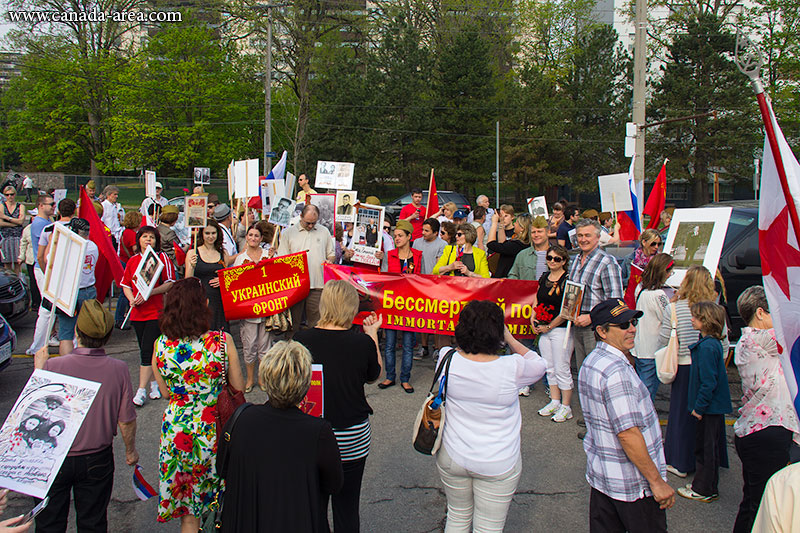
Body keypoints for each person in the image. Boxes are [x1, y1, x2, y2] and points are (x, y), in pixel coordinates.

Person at [436, 300, 546, 532]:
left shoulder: (446, 358)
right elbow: (539, 364)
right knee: (488, 527)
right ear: (497, 332)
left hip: (453, 455)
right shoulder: (512, 366)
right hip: (498, 460)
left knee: (457, 517)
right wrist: (511, 339)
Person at [32, 299, 138, 532]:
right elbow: (126, 420)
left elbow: (35, 409)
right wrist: (130, 450)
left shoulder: (53, 366)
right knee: (93, 523)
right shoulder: (118, 369)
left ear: (78, 332)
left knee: (49, 523)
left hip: (54, 457)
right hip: (96, 458)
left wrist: (39, 371)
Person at [220, 340, 343, 532]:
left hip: (248, 519)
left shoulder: (241, 419)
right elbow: (334, 483)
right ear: (305, 383)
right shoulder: (318, 431)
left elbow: (223, 468)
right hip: (299, 519)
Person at [152, 278, 244, 531]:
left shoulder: (160, 345)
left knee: (189, 514)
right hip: (214, 431)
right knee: (222, 502)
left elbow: (164, 391)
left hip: (177, 432)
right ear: (204, 305)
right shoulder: (222, 342)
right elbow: (238, 387)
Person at [294, 281, 383, 533]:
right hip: (352, 436)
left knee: (315, 508)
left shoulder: (302, 339)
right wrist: (373, 334)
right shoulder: (360, 343)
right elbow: (373, 374)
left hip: (312, 435)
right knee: (347, 508)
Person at [579, 298, 674, 532]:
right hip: (632, 485)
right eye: (623, 325)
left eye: (632, 322)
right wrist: (656, 482)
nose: (632, 328)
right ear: (601, 331)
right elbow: (628, 434)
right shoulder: (615, 372)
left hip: (604, 478)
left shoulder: (593, 361)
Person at [731, 286, 799, 531]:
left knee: (752, 502)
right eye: (776, 312)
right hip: (768, 433)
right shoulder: (758, 338)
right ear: (760, 312)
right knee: (763, 507)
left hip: (756, 432)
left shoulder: (749, 340)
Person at [661, 265, 729, 478]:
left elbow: (664, 337)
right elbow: (724, 341)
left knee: (681, 415)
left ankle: (681, 461)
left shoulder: (675, 308)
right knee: (707, 418)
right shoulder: (714, 309)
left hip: (683, 365)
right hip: (708, 366)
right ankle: (709, 463)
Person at [569, 219, 624, 438]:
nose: (583, 239)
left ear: (598, 237)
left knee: (599, 377)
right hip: (577, 326)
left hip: (597, 330)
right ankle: (593, 419)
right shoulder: (576, 259)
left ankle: (602, 426)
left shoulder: (607, 262)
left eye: (587, 236)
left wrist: (591, 317)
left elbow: (615, 302)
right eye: (580, 235)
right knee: (585, 375)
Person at [676, 301, 732, 503]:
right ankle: (709, 485)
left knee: (705, 448)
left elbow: (708, 383)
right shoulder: (711, 343)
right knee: (709, 447)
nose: (692, 319)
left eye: (696, 317)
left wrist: (699, 407)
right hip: (712, 407)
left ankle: (703, 488)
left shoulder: (707, 347)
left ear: (706, 321)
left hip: (708, 408)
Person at [121, 226, 176, 407]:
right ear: (139, 240)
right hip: (137, 313)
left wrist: (150, 293)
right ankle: (154, 383)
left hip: (155, 311)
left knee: (147, 350)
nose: (148, 240)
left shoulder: (161, 259)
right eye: (144, 237)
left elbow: (169, 283)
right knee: (145, 349)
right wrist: (131, 299)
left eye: (151, 237)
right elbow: (126, 284)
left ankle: (141, 389)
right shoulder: (133, 261)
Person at [378, 220, 423, 393]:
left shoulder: (418, 255)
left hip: (410, 306)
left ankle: (405, 378)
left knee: (407, 343)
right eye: (395, 236)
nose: (396, 239)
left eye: (400, 236)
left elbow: (424, 279)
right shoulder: (389, 255)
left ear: (409, 237)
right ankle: (390, 376)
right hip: (392, 305)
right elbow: (383, 279)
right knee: (389, 344)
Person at [278, 204, 335, 336]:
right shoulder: (288, 234)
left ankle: (315, 352)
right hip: (295, 286)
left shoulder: (324, 231)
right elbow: (282, 260)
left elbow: (331, 253)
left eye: (314, 223)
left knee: (317, 323)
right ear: (301, 217)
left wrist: (330, 261)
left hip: (317, 285)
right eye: (308, 223)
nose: (310, 226)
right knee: (293, 324)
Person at [530, 245, 574, 421]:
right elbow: (537, 298)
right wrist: (533, 317)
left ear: (564, 261)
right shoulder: (544, 277)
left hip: (560, 329)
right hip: (544, 327)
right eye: (550, 258)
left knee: (562, 366)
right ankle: (555, 400)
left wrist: (550, 326)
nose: (552, 262)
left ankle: (566, 405)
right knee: (549, 366)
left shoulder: (567, 280)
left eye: (557, 259)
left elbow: (567, 309)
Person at [232, 223, 276, 392]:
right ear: (247, 236)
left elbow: (276, 276)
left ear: (261, 238)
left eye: (256, 236)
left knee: (265, 345)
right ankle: (250, 378)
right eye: (250, 235)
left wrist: (273, 259)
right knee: (249, 345)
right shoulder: (240, 258)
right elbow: (234, 282)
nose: (253, 238)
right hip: (249, 309)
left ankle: (262, 378)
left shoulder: (268, 254)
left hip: (266, 306)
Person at [29, 197, 74, 355]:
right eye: (50, 204)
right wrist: (47, 272)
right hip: (52, 272)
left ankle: (41, 343)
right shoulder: (46, 227)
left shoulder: (48, 226)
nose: (53, 207)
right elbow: (42, 256)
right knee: (49, 309)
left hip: (49, 271)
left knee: (49, 310)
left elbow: (41, 256)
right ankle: (39, 345)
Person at [48, 218, 99, 356]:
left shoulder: (70, 246)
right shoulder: (93, 246)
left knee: (66, 332)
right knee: (85, 331)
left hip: (70, 291)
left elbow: (49, 261)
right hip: (88, 290)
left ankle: (67, 366)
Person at [631, 253, 674, 402]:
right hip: (652, 350)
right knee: (647, 393)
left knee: (640, 387)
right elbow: (668, 317)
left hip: (638, 347)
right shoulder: (659, 295)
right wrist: (674, 302)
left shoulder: (641, 287)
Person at [185, 219, 231, 332]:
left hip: (219, 301)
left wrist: (223, 280)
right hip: (200, 300)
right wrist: (191, 266)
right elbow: (187, 281)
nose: (211, 236)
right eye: (207, 233)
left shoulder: (223, 253)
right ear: (202, 234)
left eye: (213, 233)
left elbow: (228, 277)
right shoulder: (193, 253)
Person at [115, 211, 142, 329]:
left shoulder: (125, 232)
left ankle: (120, 317)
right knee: (126, 292)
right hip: (128, 263)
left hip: (123, 261)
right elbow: (136, 250)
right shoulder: (132, 234)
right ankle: (120, 318)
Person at [487, 212, 531, 278]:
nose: (514, 224)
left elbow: (491, 244)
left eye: (516, 223)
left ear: (522, 228)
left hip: (507, 279)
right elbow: (503, 243)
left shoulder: (517, 245)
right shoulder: (524, 243)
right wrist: (501, 223)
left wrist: (494, 223)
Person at [507, 215, 550, 282]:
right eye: (533, 232)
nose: (536, 235)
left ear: (548, 232)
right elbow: (513, 275)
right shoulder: (522, 255)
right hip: (526, 291)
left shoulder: (557, 254)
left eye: (539, 231)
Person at [0, 185, 25, 274]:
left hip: (17, 237)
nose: (10, 197)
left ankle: (18, 282)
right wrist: (15, 223)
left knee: (18, 263)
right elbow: (1, 223)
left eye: (12, 194)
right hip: (6, 237)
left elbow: (21, 221)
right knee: (7, 265)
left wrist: (6, 217)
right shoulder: (2, 206)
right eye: (7, 195)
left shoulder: (20, 206)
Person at [18, 216, 40, 310]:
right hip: (31, 259)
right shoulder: (27, 229)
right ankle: (35, 303)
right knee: (33, 281)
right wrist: (21, 256)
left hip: (40, 259)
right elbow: (23, 243)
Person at [157, 205, 180, 269]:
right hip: (170, 261)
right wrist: (188, 245)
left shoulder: (158, 228)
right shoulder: (169, 233)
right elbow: (178, 247)